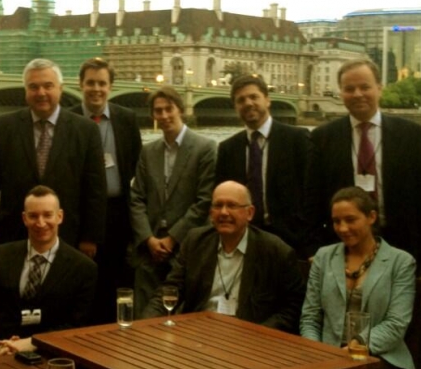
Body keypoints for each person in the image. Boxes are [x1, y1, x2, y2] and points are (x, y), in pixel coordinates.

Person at [301, 186, 415, 369]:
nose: (342, 228)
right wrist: (317, 353)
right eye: (336, 221)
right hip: (327, 361)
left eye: (350, 220)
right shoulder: (323, 257)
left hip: (382, 362)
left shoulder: (400, 262)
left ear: (371, 217)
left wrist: (352, 351)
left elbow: (396, 324)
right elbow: (310, 316)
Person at [0, 58, 107, 259]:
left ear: (60, 89)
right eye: (33, 87)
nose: (41, 93)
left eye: (48, 86)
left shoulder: (86, 130)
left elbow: (95, 189)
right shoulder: (3, 127)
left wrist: (90, 237)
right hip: (12, 234)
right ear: (25, 91)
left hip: (68, 235)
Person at [307, 58, 421, 259]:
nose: (357, 94)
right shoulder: (322, 137)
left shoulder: (411, 134)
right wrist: (314, 249)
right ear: (341, 93)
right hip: (340, 246)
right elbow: (312, 200)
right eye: (349, 89)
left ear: (379, 89)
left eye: (365, 87)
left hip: (401, 247)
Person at [143, 181, 305, 332]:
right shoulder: (196, 242)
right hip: (198, 332)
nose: (224, 212)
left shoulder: (276, 251)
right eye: (218, 205)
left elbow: (292, 308)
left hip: (249, 337)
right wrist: (145, 323)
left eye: (232, 206)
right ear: (211, 212)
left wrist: (258, 334)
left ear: (249, 213)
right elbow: (171, 289)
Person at [0, 186, 97, 356]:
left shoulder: (83, 268)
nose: (40, 223)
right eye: (33, 216)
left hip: (52, 356)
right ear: (24, 219)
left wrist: (32, 343)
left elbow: (78, 325)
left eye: (47, 215)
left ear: (60, 216)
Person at [130, 85, 216, 315]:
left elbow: (204, 201)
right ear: (153, 116)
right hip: (150, 250)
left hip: (186, 247)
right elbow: (136, 197)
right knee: (143, 316)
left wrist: (172, 238)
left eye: (169, 109)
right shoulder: (148, 152)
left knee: (181, 316)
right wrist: (148, 238)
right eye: (158, 111)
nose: (164, 116)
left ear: (180, 109)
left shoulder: (205, 148)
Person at [69, 58, 142, 323]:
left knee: (117, 280)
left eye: (102, 83)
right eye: (90, 83)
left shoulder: (127, 119)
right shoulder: (68, 118)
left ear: (111, 86)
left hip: (117, 214)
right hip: (80, 215)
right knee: (83, 283)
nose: (96, 89)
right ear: (81, 85)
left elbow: (135, 165)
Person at [215, 75, 313, 255]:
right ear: (236, 107)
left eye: (254, 97)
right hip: (244, 240)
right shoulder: (228, 148)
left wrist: (309, 241)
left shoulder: (298, 139)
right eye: (241, 100)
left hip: (293, 241)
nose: (248, 103)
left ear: (267, 100)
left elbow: (313, 192)